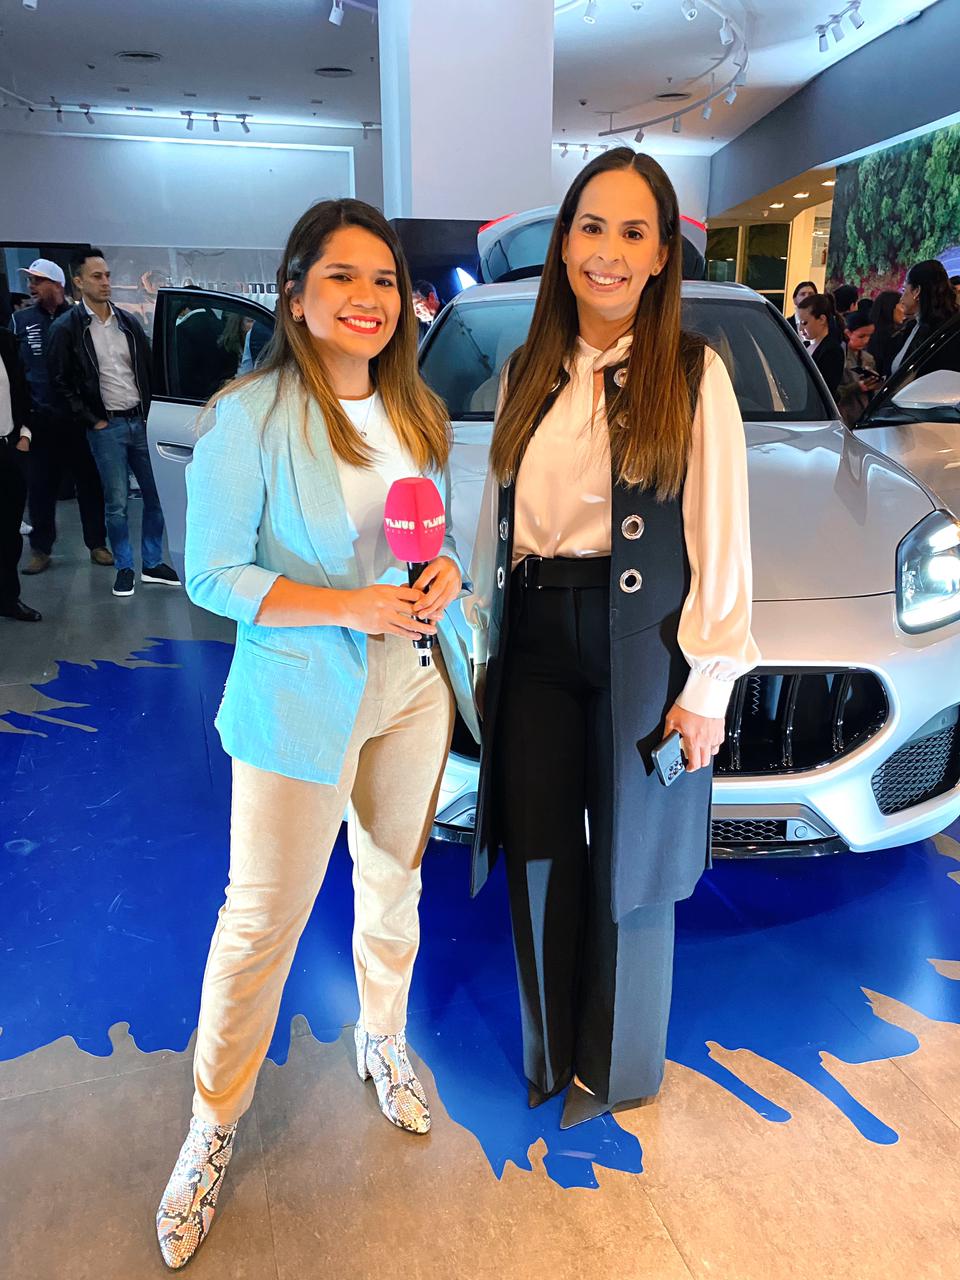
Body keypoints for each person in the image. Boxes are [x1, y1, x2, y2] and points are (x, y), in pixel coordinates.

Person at [154, 199, 478, 1270]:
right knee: (261, 920)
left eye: (383, 279)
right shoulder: (248, 415)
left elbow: (430, 538)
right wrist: (349, 606)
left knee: (394, 882)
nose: (367, 298)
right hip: (299, 693)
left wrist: (445, 574)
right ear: (296, 297)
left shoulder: (417, 411)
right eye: (341, 276)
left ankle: (382, 1038)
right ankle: (212, 1122)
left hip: (412, 687)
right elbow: (212, 574)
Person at [464, 149, 759, 1131]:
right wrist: (481, 643)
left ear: (663, 255)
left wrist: (709, 685)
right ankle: (550, 1052)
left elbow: (723, 533)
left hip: (643, 644)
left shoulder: (695, 373)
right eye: (593, 226)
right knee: (540, 848)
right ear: (562, 243)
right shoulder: (524, 371)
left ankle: (619, 1066)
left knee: (636, 863)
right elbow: (498, 520)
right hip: (536, 635)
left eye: (636, 232)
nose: (610, 251)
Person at [47, 250, 178, 598]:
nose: (105, 282)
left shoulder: (127, 323)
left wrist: (152, 413)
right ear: (78, 282)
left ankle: (152, 562)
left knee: (156, 496)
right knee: (117, 503)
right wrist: (93, 421)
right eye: (96, 276)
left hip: (139, 421)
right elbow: (59, 383)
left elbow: (147, 368)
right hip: (107, 428)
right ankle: (125, 567)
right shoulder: (68, 329)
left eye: (106, 275)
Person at [10, 259, 111, 575]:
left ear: (56, 284)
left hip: (79, 419)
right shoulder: (21, 321)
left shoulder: (79, 319)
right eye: (30, 281)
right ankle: (41, 549)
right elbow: (15, 370)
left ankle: (97, 543)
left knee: (90, 484)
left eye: (37, 281)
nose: (31, 287)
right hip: (41, 420)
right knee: (40, 488)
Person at [0, 326, 41, 622]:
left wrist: (24, 435)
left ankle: (8, 598)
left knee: (8, 533)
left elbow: (22, 390)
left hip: (8, 448)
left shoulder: (5, 340)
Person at [888, 259, 960, 377]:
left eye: (904, 290)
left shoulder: (941, 332)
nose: (901, 298)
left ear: (917, 291)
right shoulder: (913, 327)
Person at [796, 293, 845, 398]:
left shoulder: (832, 350)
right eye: (798, 323)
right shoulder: (805, 345)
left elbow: (826, 389)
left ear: (822, 319)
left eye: (804, 323)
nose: (800, 329)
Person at [836, 312, 878, 427]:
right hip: (843, 414)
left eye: (869, 336)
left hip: (862, 414)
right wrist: (857, 386)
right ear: (848, 333)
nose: (866, 340)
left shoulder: (868, 358)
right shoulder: (838, 356)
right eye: (861, 336)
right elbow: (833, 391)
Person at [868, 288, 905, 376]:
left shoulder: (873, 334)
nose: (905, 310)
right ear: (890, 308)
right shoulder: (893, 338)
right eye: (902, 305)